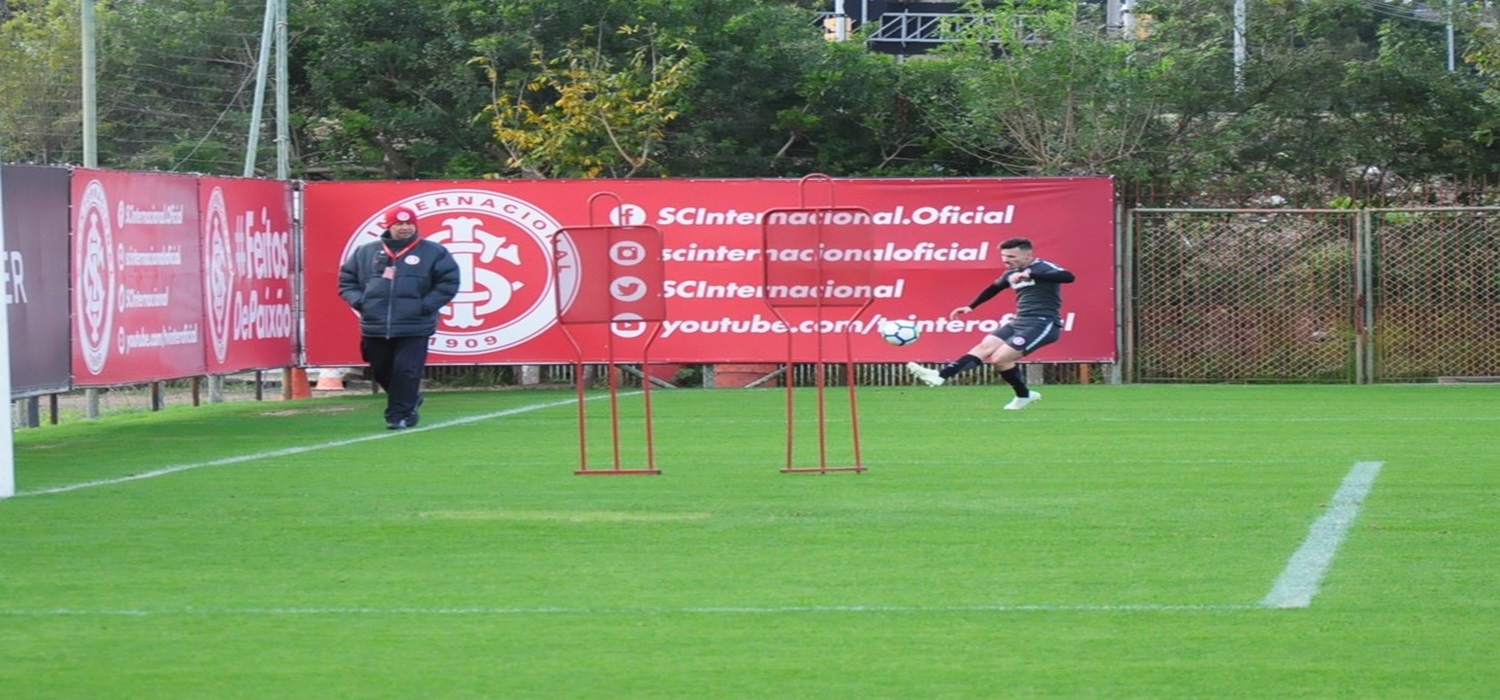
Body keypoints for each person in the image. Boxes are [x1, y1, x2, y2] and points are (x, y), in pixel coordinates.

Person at [907, 237, 1074, 410]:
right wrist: (970, 306)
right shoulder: (1011, 273)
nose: (1006, 260)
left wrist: (1031, 274)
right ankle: (940, 375)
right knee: (984, 347)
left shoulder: (1042, 267)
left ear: (1028, 255)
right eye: (1004, 256)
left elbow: (1068, 276)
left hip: (1042, 323)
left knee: (1000, 359)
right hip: (1019, 321)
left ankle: (1024, 395)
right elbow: (994, 288)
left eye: (1011, 256)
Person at [338, 205, 461, 429]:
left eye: (409, 224)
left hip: (415, 324)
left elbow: (448, 282)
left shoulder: (433, 252)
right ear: (389, 226)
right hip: (375, 325)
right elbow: (347, 281)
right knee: (381, 369)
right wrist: (361, 301)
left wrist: (426, 306)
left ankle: (399, 415)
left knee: (406, 369)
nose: (404, 228)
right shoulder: (366, 252)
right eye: (399, 224)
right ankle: (409, 399)